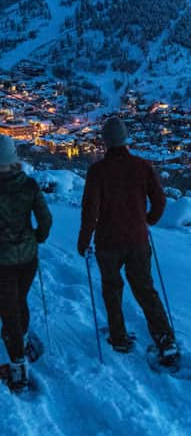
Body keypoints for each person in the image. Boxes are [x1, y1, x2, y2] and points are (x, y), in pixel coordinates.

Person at [77, 116, 178, 363]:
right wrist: (148, 220)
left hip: (107, 242)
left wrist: (84, 240)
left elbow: (90, 210)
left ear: (105, 141)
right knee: (145, 289)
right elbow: (160, 201)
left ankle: (118, 336)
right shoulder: (142, 167)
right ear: (125, 139)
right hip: (137, 240)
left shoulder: (97, 171)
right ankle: (165, 340)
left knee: (112, 289)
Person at [0, 135, 52, 391]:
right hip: (28, 258)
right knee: (19, 300)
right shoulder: (29, 185)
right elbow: (45, 220)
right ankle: (21, 338)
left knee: (8, 309)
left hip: (3, 260)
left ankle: (17, 366)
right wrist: (37, 238)